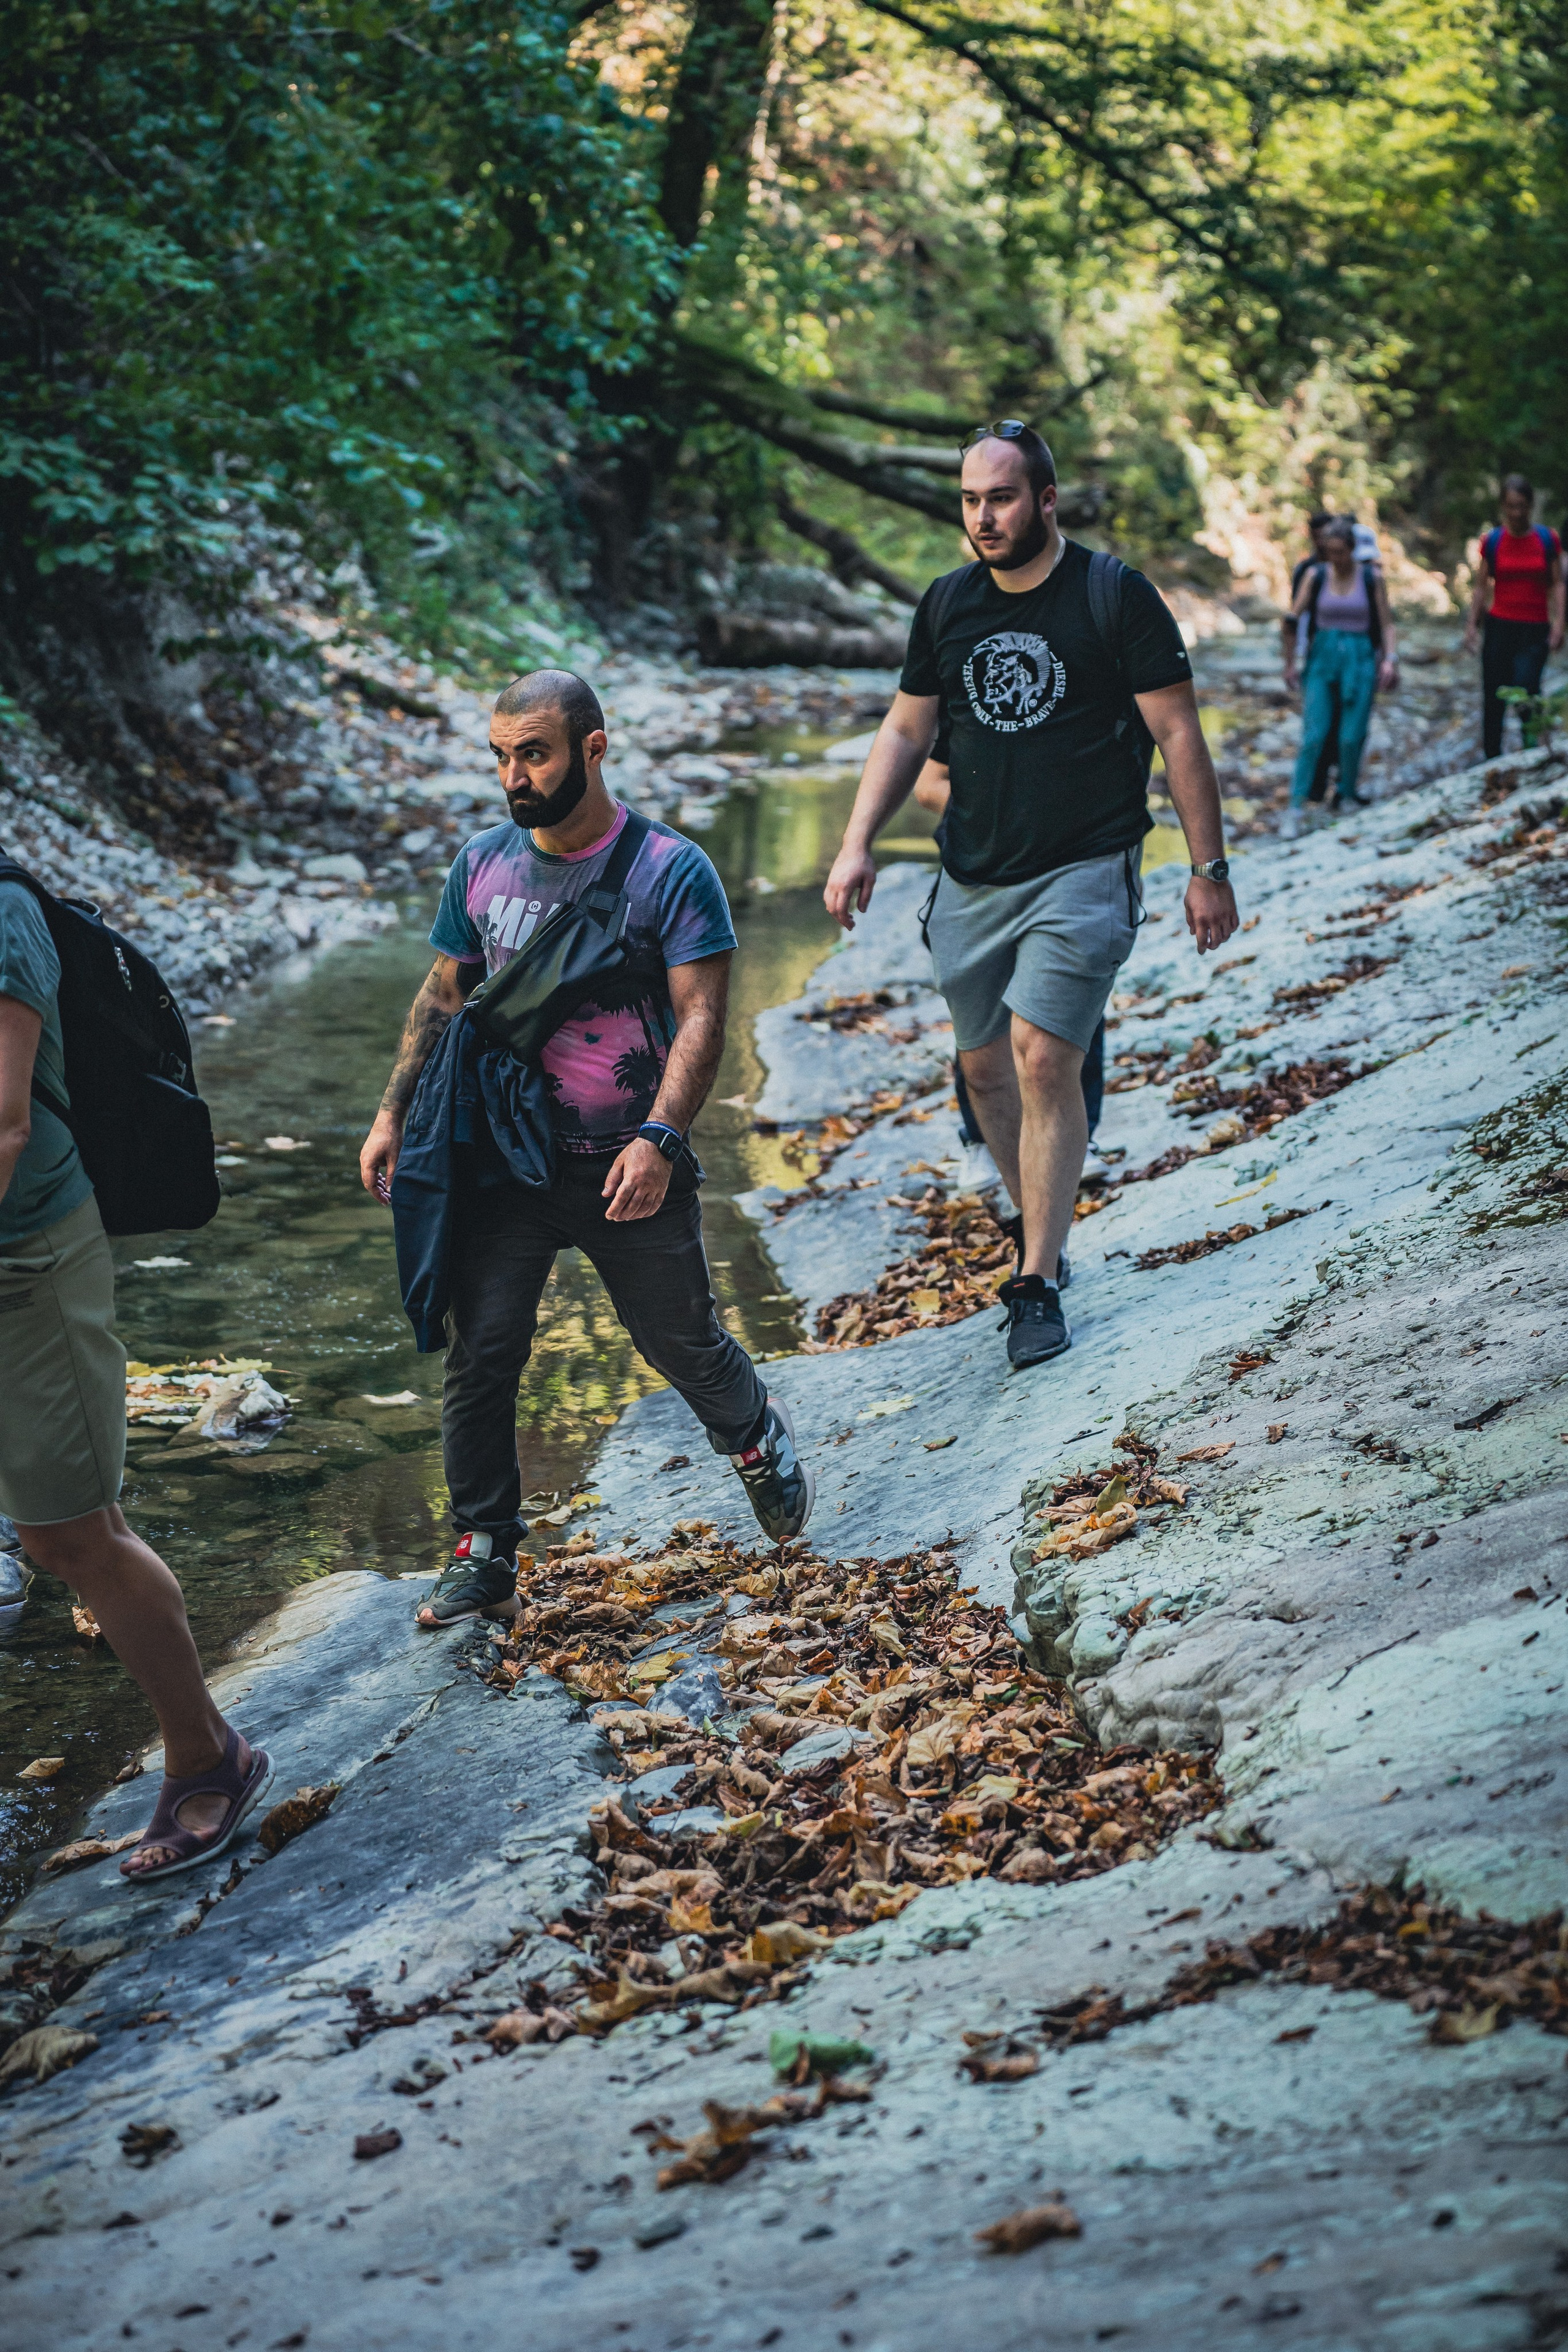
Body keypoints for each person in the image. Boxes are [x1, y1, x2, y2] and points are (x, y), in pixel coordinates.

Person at [360, 669, 814, 1627]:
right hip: (503, 1160)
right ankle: (482, 1554)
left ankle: (755, 1440)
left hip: (626, 1158)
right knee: (482, 1353)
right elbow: (445, 996)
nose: (514, 776)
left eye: (535, 754)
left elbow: (701, 1021)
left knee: (678, 1343)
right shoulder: (481, 863)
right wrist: (393, 1115)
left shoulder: (670, 869)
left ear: (593, 749)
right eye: (502, 756)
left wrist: (659, 1136)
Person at [824, 421, 1238, 1371]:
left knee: (1045, 1054)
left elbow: (1178, 734)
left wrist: (1206, 869)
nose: (983, 517)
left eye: (1001, 498)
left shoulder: (1114, 595)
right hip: (972, 875)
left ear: (1045, 502)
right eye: (970, 500)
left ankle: (1037, 1278)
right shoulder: (947, 605)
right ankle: (1037, 1230)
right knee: (983, 1074)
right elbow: (903, 732)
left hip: (1087, 865)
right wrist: (856, 846)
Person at [0, 869, 269, 1879]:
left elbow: (4, 1123)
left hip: (25, 1262)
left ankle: (211, 1754)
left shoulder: (1, 913)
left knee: (74, 1536)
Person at [913, 744, 1109, 1219]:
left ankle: (1080, 1137)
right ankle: (980, 1139)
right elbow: (927, 783)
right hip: (979, 875)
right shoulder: (968, 688)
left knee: (1067, 1013)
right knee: (983, 1025)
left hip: (1071, 872)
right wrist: (1004, 807)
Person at [1282, 516, 1398, 838]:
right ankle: (1296, 805)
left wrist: (1390, 659)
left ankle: (1346, 793)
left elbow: (1387, 624)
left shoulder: (1372, 578)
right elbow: (1293, 617)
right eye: (1328, 551)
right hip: (1323, 656)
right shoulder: (1315, 575)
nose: (1334, 558)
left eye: (1339, 552)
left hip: (1360, 659)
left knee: (1351, 735)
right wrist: (1290, 662)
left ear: (1352, 549)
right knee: (1314, 734)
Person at [1463, 475, 1565, 758]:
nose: (1517, 513)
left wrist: (1559, 624)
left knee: (1527, 688)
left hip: (1535, 629)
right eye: (1511, 506)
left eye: (1522, 506)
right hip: (1499, 627)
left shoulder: (1547, 539)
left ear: (1530, 505)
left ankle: (1532, 751)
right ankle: (1492, 759)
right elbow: (1482, 585)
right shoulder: (1493, 541)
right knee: (1494, 696)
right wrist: (1472, 625)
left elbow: (1557, 583)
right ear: (1503, 507)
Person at [1283, 513, 1341, 805]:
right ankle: (1314, 788)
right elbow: (1295, 613)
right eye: (1316, 534)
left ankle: (1338, 785)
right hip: (1314, 651)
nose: (1321, 540)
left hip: (1345, 653)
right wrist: (1293, 658)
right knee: (1316, 725)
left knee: (1340, 725)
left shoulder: (1352, 568)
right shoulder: (1307, 570)